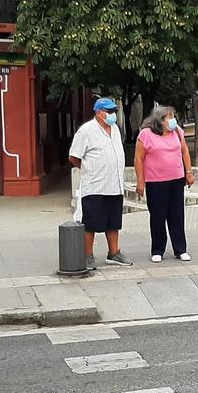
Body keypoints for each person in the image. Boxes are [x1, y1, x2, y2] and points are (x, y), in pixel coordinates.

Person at [68, 98, 132, 269]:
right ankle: (88, 255)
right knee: (91, 223)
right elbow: (74, 157)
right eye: (109, 111)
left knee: (113, 222)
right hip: (95, 185)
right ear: (98, 112)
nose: (112, 114)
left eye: (113, 111)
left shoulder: (115, 129)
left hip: (115, 184)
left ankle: (114, 253)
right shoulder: (86, 131)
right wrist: (90, 169)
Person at [134, 105, 195, 263]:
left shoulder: (177, 131)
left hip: (176, 179)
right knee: (158, 216)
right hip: (155, 182)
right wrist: (140, 181)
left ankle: (180, 249)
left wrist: (189, 172)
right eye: (170, 117)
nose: (173, 119)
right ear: (160, 120)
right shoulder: (146, 134)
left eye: (173, 116)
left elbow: (184, 151)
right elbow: (138, 158)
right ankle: (157, 249)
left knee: (177, 215)